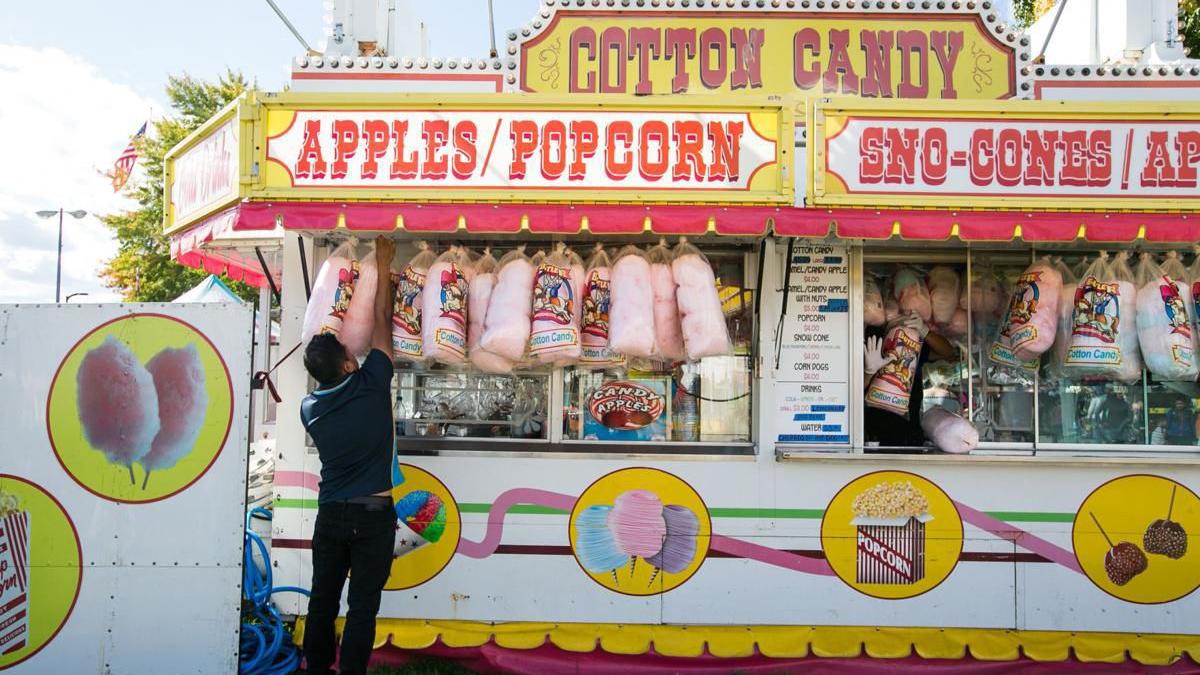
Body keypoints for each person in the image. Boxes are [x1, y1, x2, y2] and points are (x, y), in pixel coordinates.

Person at [301, 238, 399, 675]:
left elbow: (362, 351)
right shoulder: (373, 384)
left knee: (322, 596)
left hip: (331, 514)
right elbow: (381, 324)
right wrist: (382, 263)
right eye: (348, 354)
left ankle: (318, 667)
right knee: (363, 605)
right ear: (345, 366)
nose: (355, 355)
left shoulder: (310, 411)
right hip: (374, 514)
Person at [863, 311, 957, 449]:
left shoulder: (913, 348)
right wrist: (869, 371)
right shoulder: (873, 344)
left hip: (908, 428)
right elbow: (854, 391)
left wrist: (925, 331)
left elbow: (948, 352)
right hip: (872, 429)